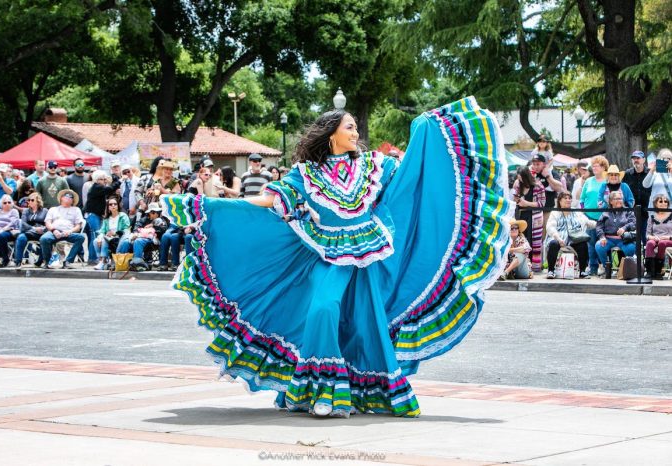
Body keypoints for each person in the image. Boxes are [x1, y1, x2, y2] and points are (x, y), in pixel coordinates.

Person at [159, 97, 512, 418]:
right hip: (325, 255)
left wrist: (425, 131)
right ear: (331, 134)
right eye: (349, 127)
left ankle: (357, 391)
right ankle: (321, 387)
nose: (356, 132)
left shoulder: (375, 166)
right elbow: (268, 201)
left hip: (369, 257)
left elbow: (411, 180)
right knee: (323, 308)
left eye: (356, 127)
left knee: (363, 324)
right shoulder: (305, 174)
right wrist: (211, 205)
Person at [545, 192, 596, 279]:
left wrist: (600, 225)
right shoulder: (555, 213)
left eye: (570, 198)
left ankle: (582, 271)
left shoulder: (576, 212)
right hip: (559, 238)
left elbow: (588, 222)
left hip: (574, 239)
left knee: (583, 244)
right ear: (560, 201)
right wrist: (558, 238)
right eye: (565, 198)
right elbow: (550, 227)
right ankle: (551, 271)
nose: (568, 200)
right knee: (553, 244)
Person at [578, 155, 609, 275]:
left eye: (597, 166)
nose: (594, 168)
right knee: (590, 243)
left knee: (604, 242)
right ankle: (593, 268)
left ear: (603, 167)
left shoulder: (608, 181)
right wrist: (583, 213)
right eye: (593, 166)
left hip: (605, 216)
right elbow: (582, 199)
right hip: (589, 216)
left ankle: (607, 266)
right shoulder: (588, 181)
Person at [40, 190, 86, 269]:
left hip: (68, 232)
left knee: (81, 237)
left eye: (71, 197)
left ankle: (68, 261)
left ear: (73, 200)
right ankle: (47, 262)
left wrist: (70, 231)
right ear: (61, 198)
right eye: (66, 196)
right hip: (54, 231)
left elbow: (78, 225)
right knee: (44, 238)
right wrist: (54, 230)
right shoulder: (53, 209)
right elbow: (47, 222)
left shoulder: (76, 209)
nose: (68, 198)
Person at [512, 165, 545, 272]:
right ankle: (521, 265)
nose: (520, 179)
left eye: (521, 177)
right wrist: (517, 200)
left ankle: (534, 266)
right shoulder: (517, 184)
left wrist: (526, 203)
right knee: (522, 238)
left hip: (534, 216)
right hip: (521, 215)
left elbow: (542, 203)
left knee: (534, 241)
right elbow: (514, 198)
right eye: (519, 177)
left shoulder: (538, 186)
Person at [84, 170, 121, 264]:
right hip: (93, 215)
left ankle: (96, 258)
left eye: (104, 179)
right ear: (96, 180)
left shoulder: (99, 187)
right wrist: (119, 181)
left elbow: (108, 190)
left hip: (96, 215)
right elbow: (109, 189)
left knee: (97, 236)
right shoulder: (97, 187)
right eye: (101, 179)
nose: (104, 181)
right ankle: (93, 258)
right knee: (96, 236)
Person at [116, 202, 168, 266]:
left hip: (154, 239)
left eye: (153, 212)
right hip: (140, 237)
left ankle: (137, 263)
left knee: (138, 241)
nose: (151, 214)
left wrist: (153, 226)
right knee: (126, 242)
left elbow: (163, 230)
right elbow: (136, 227)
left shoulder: (162, 220)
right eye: (151, 212)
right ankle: (121, 263)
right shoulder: (144, 219)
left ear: (157, 213)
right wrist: (135, 234)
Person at [595, 191, 636, 270]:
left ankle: (625, 269)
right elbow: (599, 226)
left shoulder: (628, 211)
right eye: (617, 199)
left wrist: (625, 228)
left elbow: (634, 223)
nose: (619, 201)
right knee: (599, 246)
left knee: (630, 248)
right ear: (611, 201)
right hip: (608, 239)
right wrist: (602, 237)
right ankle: (606, 267)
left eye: (620, 199)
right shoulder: (605, 213)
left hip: (624, 239)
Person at [93, 196, 131, 270]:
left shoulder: (123, 216)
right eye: (110, 204)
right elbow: (102, 231)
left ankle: (103, 261)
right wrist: (100, 237)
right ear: (108, 207)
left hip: (119, 238)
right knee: (96, 241)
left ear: (118, 205)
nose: (113, 206)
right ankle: (101, 260)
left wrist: (114, 233)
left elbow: (126, 229)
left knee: (104, 240)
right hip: (108, 238)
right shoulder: (106, 219)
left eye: (115, 204)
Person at [14, 192, 48, 268]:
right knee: (21, 238)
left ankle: (40, 261)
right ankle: (18, 262)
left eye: (32, 200)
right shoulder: (26, 211)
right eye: (28, 200)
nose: (29, 202)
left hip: (41, 232)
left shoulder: (45, 211)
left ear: (38, 201)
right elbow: (23, 223)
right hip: (29, 232)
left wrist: (43, 229)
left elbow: (48, 222)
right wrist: (34, 228)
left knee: (46, 239)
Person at [644, 194, 672, 279]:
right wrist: (652, 238)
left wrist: (667, 237)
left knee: (662, 243)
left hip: (669, 239)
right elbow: (647, 234)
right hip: (655, 238)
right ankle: (649, 271)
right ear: (655, 204)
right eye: (660, 201)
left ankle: (659, 270)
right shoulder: (651, 217)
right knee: (649, 243)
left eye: (665, 201)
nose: (664, 203)